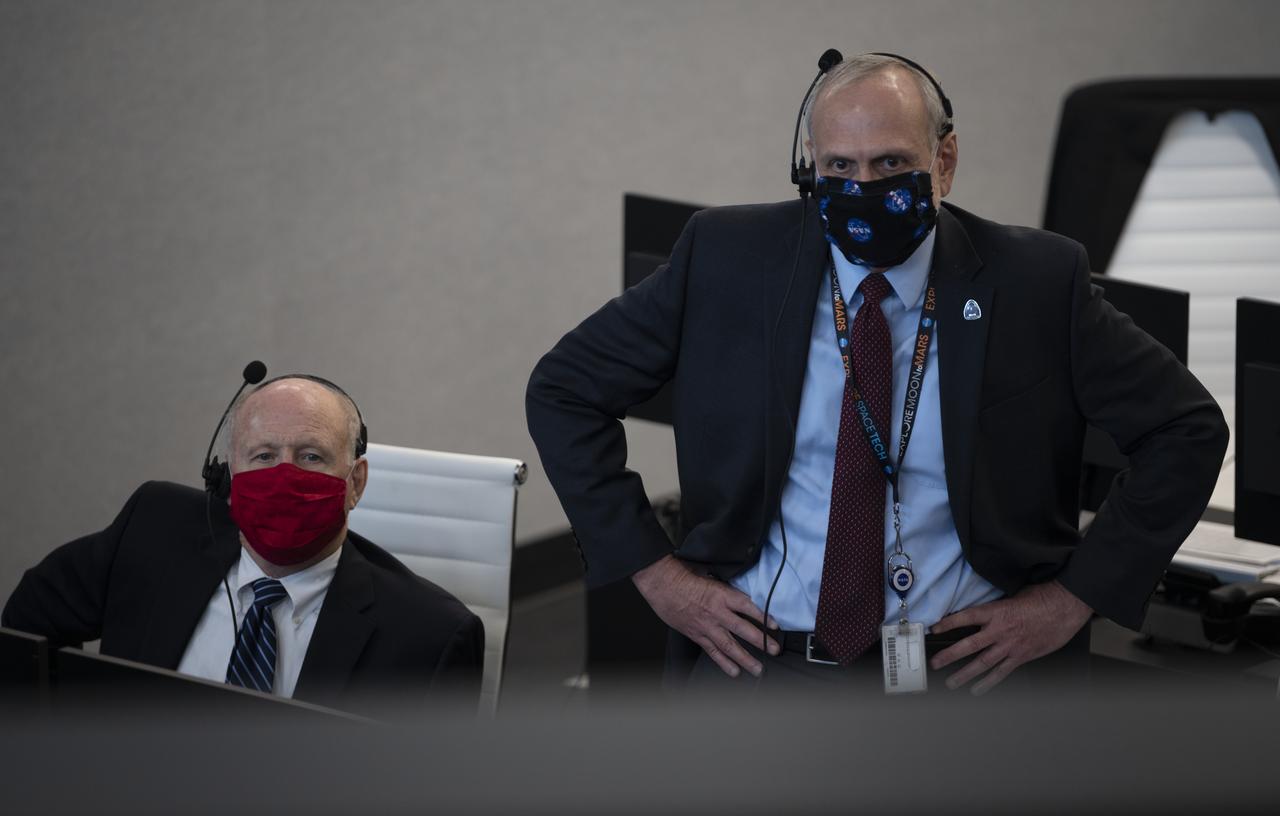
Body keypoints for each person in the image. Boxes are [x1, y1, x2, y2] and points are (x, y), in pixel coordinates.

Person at [526, 52, 1228, 694]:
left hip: (967, 671)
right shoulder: (726, 258)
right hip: (760, 661)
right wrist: (655, 574)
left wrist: (1074, 599)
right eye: (840, 167)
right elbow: (564, 390)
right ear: (809, 168)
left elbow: (1186, 430)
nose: (863, 187)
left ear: (944, 161)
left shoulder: (1035, 282)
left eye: (891, 163)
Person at [4, 375, 483, 713]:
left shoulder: (430, 634)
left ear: (355, 482)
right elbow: (28, 623)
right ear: (228, 475)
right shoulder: (152, 530)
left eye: (310, 456)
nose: (283, 475)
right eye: (264, 455)